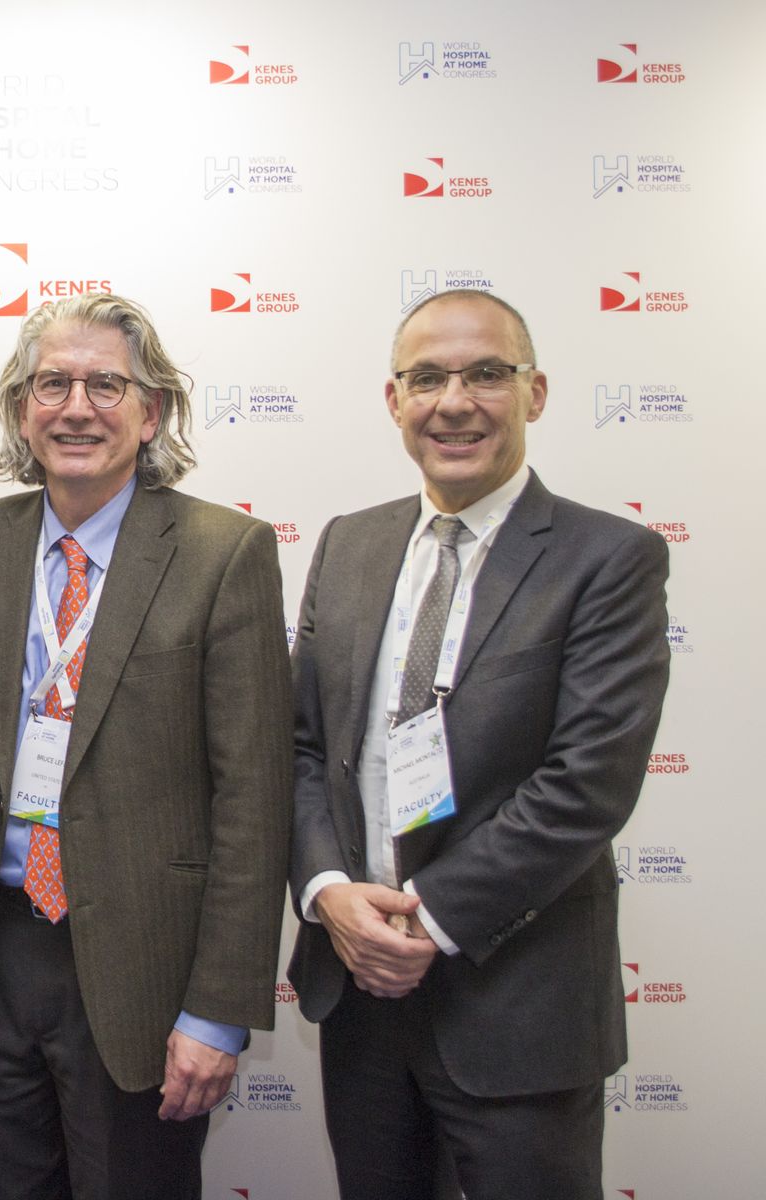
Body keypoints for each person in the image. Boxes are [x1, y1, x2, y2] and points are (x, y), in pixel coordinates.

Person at [287, 289, 671, 1199]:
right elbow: (301, 750)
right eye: (427, 378)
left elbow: (587, 783)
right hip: (359, 994)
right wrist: (330, 893)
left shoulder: (609, 558)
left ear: (535, 392)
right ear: (395, 401)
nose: (454, 402)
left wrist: (426, 918)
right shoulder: (348, 545)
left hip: (521, 1007)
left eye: (487, 374)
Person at [0, 293, 293, 1200]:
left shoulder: (224, 552)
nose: (77, 408)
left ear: (151, 410)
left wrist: (217, 1012)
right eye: (52, 384)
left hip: (146, 973)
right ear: (23, 409)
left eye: (106, 385)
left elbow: (254, 801)